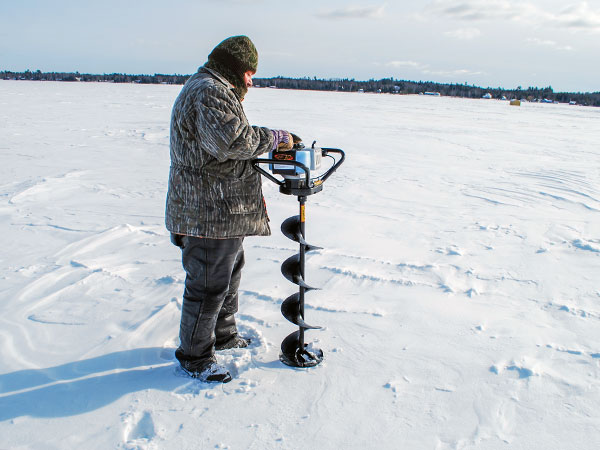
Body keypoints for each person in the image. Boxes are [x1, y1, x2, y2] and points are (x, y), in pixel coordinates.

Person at [165, 35, 296, 383]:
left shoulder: (214, 87)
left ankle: (222, 334)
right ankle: (195, 356)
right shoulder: (210, 90)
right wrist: (275, 137)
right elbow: (232, 141)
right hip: (207, 210)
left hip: (222, 208)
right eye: (249, 73)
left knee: (229, 273)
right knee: (208, 284)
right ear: (234, 68)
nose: (251, 81)